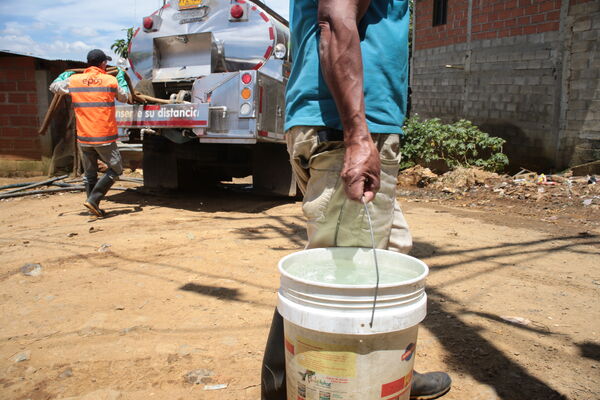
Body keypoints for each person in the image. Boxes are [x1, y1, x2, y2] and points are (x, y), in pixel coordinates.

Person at [261, 1, 452, 399]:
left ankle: (388, 368)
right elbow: (333, 20)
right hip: (344, 126)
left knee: (387, 254)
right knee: (342, 274)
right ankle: (290, 384)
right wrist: (358, 137)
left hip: (348, 124)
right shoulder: (353, 132)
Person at [50, 49, 131, 218]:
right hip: (104, 136)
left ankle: (92, 208)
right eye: (106, 62)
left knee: (90, 173)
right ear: (103, 64)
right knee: (116, 169)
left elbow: (54, 87)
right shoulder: (110, 80)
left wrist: (63, 77)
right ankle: (94, 199)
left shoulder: (75, 80)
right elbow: (125, 97)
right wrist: (121, 80)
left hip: (84, 137)